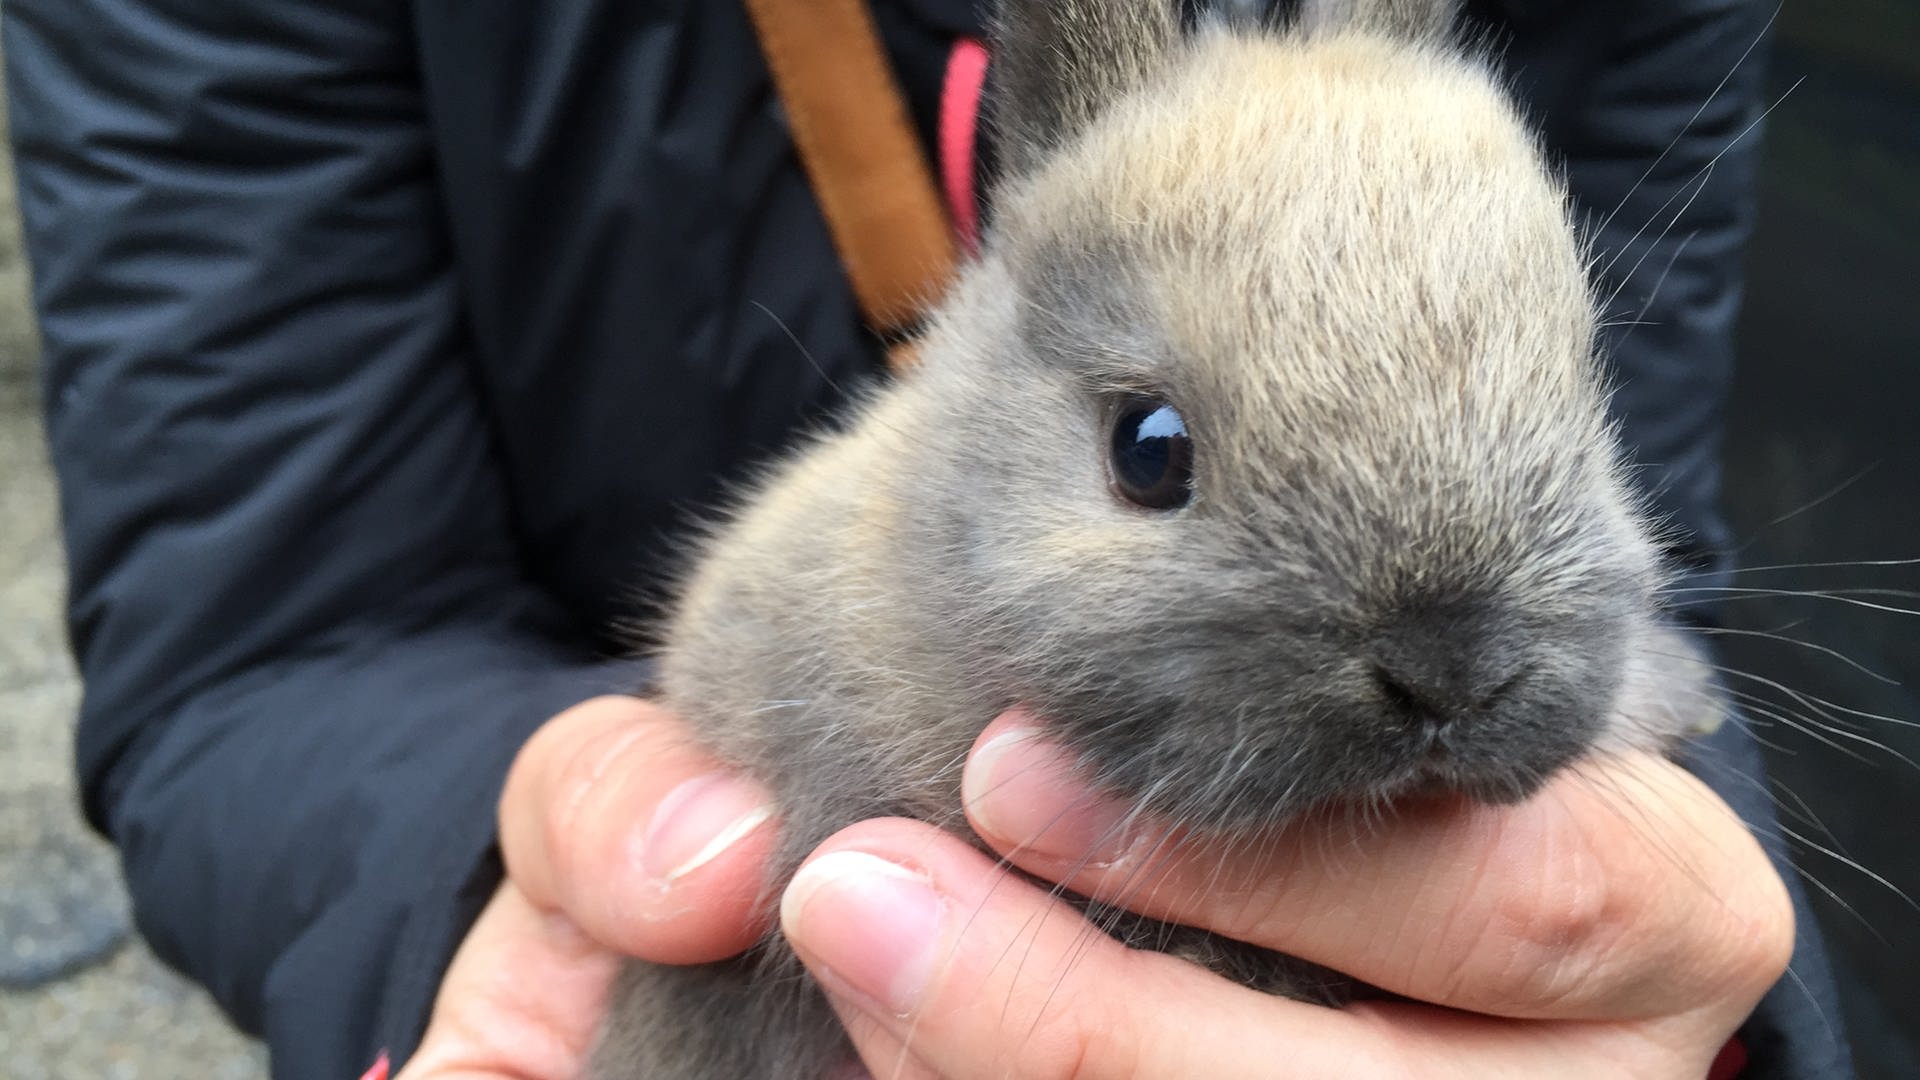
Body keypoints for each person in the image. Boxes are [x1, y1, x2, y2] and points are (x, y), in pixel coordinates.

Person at [2, 0, 1852, 1077]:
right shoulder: (841, 599)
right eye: (1151, 450)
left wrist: (1692, 998)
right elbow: (261, 648)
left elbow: (1637, 559)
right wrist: (494, 880)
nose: (1430, 668)